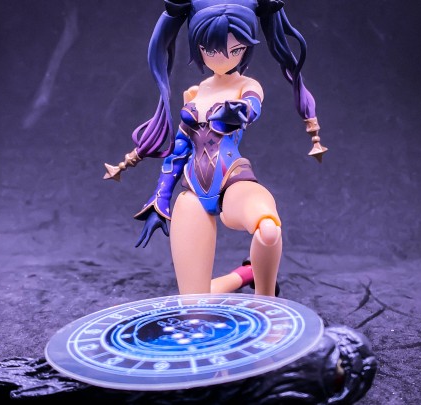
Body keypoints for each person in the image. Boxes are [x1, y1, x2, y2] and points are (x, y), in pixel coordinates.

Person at [104, 0, 327, 296]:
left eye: (236, 49)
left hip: (233, 181)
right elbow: (179, 150)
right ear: (198, 47)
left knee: (268, 229)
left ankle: (266, 299)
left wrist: (238, 112)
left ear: (247, 48)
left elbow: (252, 107)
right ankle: (245, 273)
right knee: (194, 303)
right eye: (211, 50)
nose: (223, 57)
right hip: (193, 193)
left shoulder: (247, 85)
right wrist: (160, 198)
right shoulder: (195, 93)